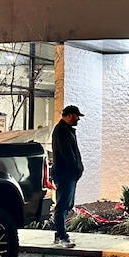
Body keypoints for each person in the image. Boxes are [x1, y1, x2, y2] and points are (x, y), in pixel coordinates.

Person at [51, 105, 85, 248]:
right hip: (65, 174)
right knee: (63, 205)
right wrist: (76, 169)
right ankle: (62, 236)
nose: (78, 119)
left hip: (67, 173)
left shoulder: (65, 130)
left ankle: (59, 234)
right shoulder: (62, 131)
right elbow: (67, 154)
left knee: (65, 205)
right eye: (77, 116)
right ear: (70, 115)